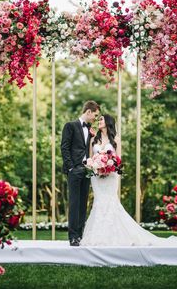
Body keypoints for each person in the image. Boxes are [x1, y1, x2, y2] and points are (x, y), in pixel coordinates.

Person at [80, 114, 177, 246]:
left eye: (101, 119)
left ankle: (115, 236)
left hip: (111, 176)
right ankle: (96, 237)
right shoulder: (93, 140)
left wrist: (108, 166)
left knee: (110, 202)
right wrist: (95, 166)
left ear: (108, 122)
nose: (99, 121)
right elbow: (90, 158)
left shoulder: (116, 140)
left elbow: (118, 160)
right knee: (99, 202)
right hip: (96, 177)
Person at [61, 100, 100, 246]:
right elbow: (64, 148)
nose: (95, 118)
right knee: (74, 203)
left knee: (83, 203)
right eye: (95, 115)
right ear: (88, 112)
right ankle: (73, 237)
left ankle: (81, 234)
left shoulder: (91, 129)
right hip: (74, 170)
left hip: (87, 170)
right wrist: (71, 167)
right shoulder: (70, 126)